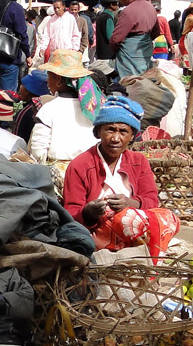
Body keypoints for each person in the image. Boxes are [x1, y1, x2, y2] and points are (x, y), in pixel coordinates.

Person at [63, 96, 179, 261]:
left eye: (123, 131)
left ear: (132, 136)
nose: (115, 138)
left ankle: (144, 256)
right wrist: (89, 213)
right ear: (98, 132)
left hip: (137, 234)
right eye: (110, 129)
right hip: (95, 235)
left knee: (167, 218)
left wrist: (129, 203)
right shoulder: (80, 165)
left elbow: (151, 200)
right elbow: (70, 213)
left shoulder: (139, 162)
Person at [28, 50, 100, 163]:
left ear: (58, 81)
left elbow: (38, 152)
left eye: (49, 76)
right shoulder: (93, 106)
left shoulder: (49, 109)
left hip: (59, 172)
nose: (47, 80)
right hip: (90, 168)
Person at [110, 0, 159, 79]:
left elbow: (116, 39)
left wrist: (118, 49)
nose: (119, 0)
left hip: (129, 55)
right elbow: (156, 31)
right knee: (146, 83)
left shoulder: (127, 11)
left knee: (130, 84)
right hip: (145, 54)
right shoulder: (150, 7)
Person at [34, 0, 80, 64]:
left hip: (67, 53)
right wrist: (43, 48)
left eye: (58, 7)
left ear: (63, 7)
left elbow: (75, 35)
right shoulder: (51, 20)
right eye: (55, 8)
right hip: (54, 53)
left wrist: (74, 49)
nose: (57, 10)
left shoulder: (70, 18)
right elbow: (46, 36)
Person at [14, 69, 49, 145]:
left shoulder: (24, 113)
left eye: (22, 85)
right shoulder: (46, 107)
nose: (19, 88)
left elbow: (15, 139)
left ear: (27, 91)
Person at [91, 0, 119, 76]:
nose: (117, 5)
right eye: (116, 3)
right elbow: (110, 37)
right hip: (108, 55)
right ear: (111, 4)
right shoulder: (108, 17)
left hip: (101, 53)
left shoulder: (101, 16)